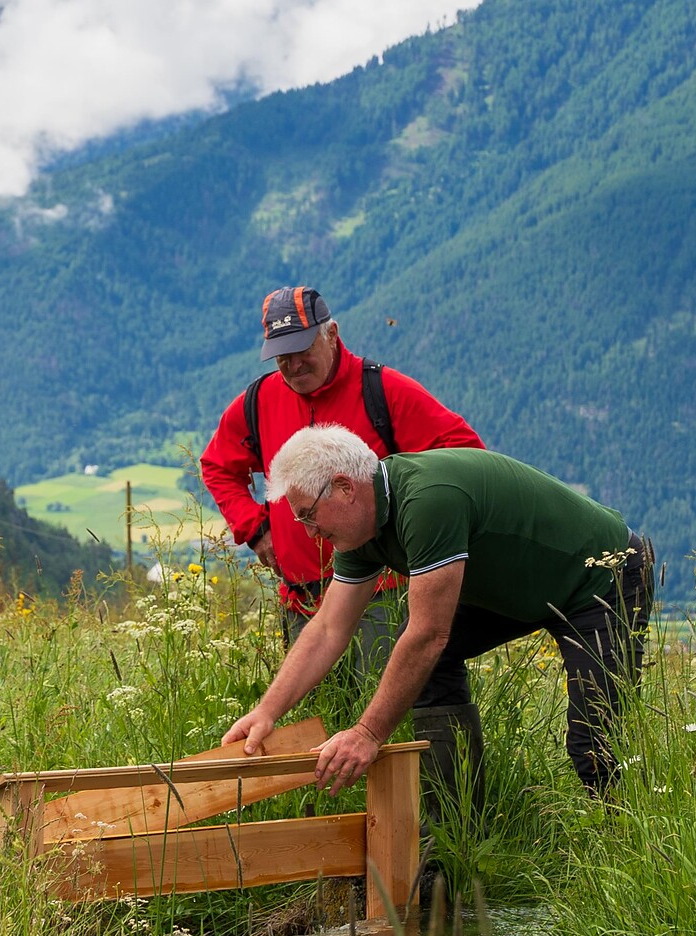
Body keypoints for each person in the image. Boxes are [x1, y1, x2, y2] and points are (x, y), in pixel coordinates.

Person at [223, 425, 654, 795]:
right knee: (425, 666)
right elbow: (329, 629)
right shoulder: (359, 531)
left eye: (309, 516)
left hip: (603, 578)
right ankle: (455, 828)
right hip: (526, 587)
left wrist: (367, 734)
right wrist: (266, 712)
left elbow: (429, 635)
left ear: (344, 487)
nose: (311, 532)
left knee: (593, 745)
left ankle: (628, 856)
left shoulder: (428, 501)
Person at [201, 286, 489, 801]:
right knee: (317, 728)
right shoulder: (257, 402)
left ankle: (438, 832)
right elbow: (218, 466)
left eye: (302, 351)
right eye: (280, 356)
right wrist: (255, 526)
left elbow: (464, 454)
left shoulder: (383, 391)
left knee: (399, 719)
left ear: (332, 334)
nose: (291, 366)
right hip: (304, 601)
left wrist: (417, 535)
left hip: (383, 592)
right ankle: (341, 849)